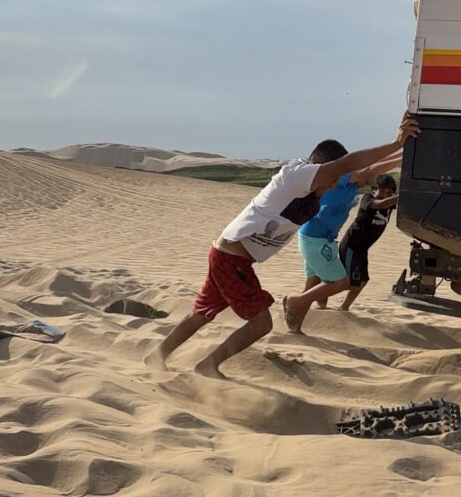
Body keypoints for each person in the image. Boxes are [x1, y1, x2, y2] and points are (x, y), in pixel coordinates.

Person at [157, 115, 419, 378]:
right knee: (261, 323)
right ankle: (208, 366)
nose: (333, 185)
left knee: (201, 314)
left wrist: (404, 155)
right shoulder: (297, 175)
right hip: (231, 259)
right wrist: (396, 143)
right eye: (332, 178)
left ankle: (155, 356)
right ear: (321, 168)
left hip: (227, 255)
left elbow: (361, 171)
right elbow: (352, 164)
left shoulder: (310, 185)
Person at [293, 151, 402, 329]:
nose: (370, 179)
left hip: (325, 239)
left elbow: (375, 167)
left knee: (314, 283)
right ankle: (297, 301)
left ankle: (295, 324)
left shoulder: (353, 190)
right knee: (340, 282)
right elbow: (369, 170)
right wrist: (399, 155)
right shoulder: (344, 181)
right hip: (318, 238)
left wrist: (402, 155)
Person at [338, 173, 399, 311]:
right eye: (381, 191)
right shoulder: (368, 199)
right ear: (373, 190)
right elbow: (380, 204)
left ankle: (344, 308)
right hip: (351, 246)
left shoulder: (390, 204)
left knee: (362, 281)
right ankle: (318, 294)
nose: (385, 195)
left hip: (362, 249)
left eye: (389, 193)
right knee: (346, 283)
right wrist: (403, 195)